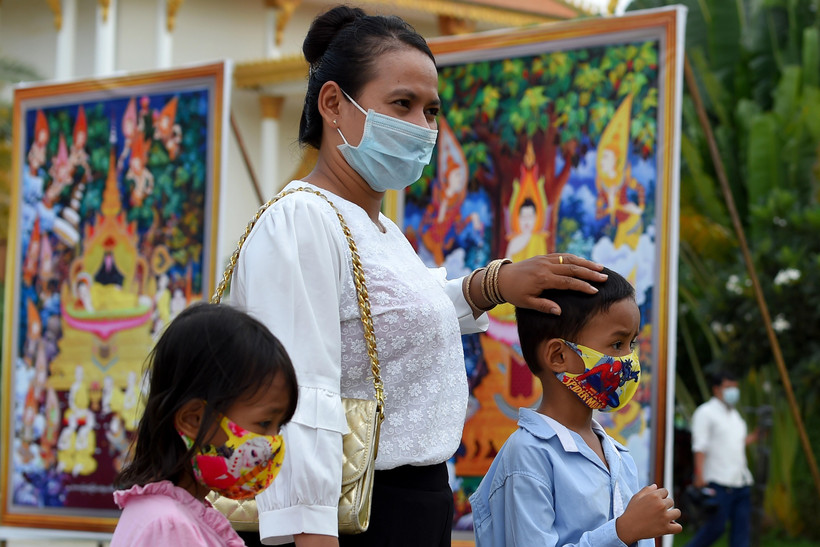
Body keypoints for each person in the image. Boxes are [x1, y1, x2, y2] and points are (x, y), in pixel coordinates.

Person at [230, 6, 609, 546]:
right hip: (350, 514)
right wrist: (312, 535)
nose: (422, 128)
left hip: (414, 504)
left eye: (430, 110)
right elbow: (297, 397)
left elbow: (388, 320)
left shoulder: (379, 228)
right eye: (401, 104)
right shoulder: (303, 220)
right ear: (334, 104)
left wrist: (492, 286)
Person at [469, 268, 682, 546]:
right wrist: (622, 531)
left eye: (632, 343)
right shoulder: (528, 456)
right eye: (617, 344)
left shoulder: (619, 456)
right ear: (559, 356)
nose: (630, 359)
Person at [110, 304, 298, 546]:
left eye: (278, 426)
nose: (273, 443)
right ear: (193, 420)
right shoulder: (170, 527)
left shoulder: (170, 516)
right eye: (264, 423)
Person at [685, 371, 755, 547]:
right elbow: (699, 446)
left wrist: (757, 436)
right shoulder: (706, 412)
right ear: (716, 389)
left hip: (741, 482)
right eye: (729, 387)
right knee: (714, 529)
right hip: (718, 482)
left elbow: (735, 443)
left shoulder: (735, 415)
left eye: (735, 388)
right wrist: (699, 476)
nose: (733, 391)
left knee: (742, 533)